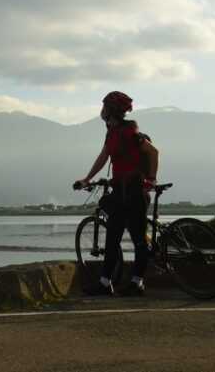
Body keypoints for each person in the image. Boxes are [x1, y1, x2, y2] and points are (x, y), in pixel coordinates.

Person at [74, 91, 159, 296]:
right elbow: (104, 156)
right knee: (113, 237)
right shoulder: (112, 133)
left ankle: (136, 282)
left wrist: (151, 180)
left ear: (110, 111)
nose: (101, 111)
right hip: (120, 191)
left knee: (138, 239)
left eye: (104, 107)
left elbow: (153, 152)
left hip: (134, 191)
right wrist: (87, 178)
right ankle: (105, 283)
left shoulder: (129, 132)